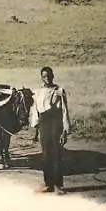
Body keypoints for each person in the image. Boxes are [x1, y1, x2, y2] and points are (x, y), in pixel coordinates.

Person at [30, 66, 71, 195]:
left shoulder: (59, 91)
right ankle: (48, 184)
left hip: (55, 122)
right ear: (41, 77)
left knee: (56, 154)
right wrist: (35, 127)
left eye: (49, 75)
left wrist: (65, 129)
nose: (47, 78)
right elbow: (35, 110)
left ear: (53, 76)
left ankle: (58, 185)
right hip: (43, 123)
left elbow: (64, 110)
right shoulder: (37, 92)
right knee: (45, 154)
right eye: (44, 76)